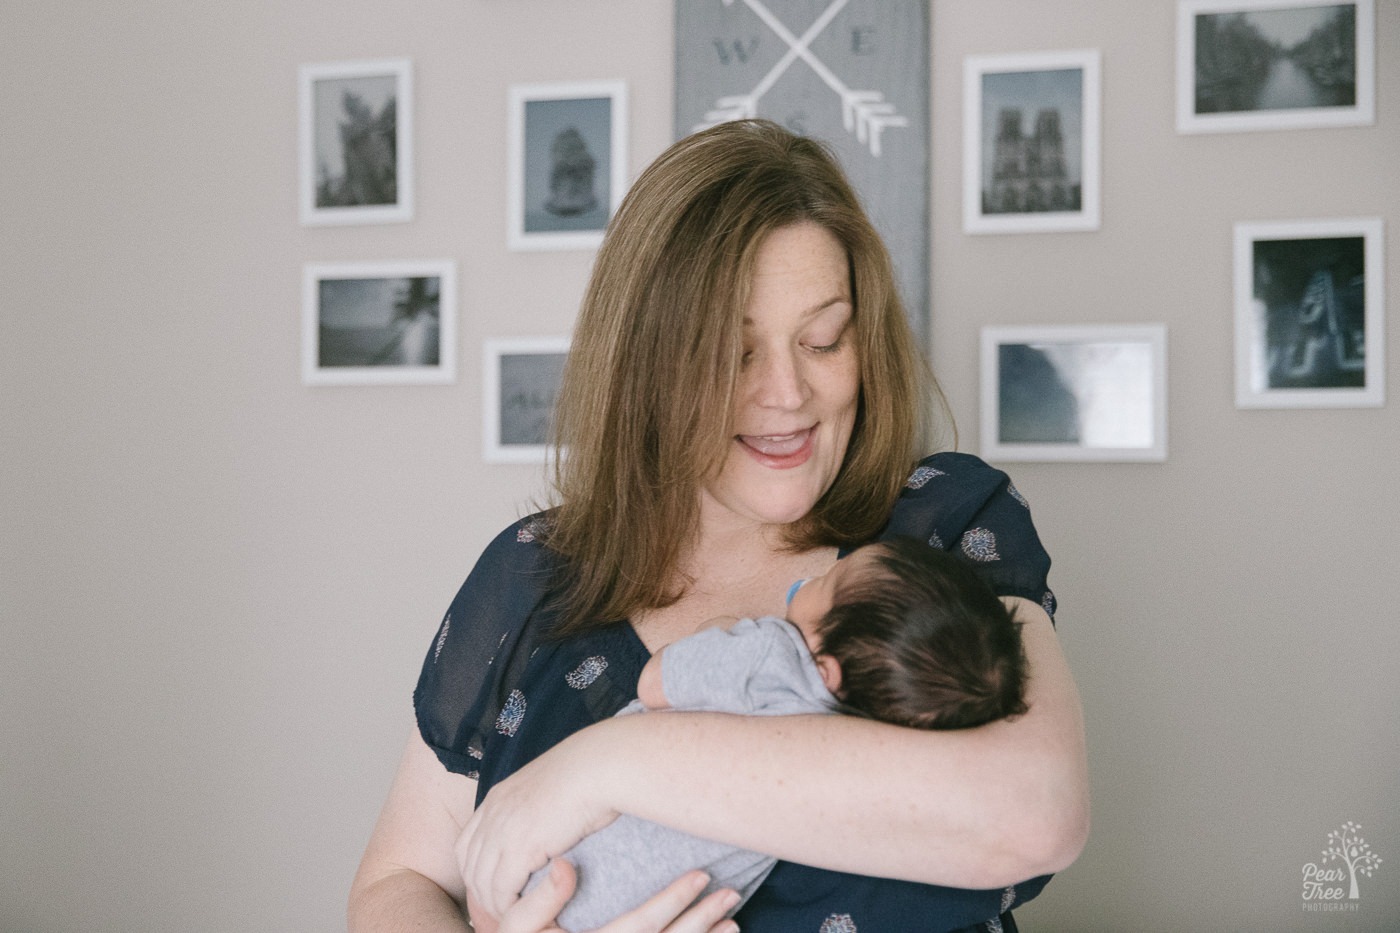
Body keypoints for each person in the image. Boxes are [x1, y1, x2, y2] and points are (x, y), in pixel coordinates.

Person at [349, 118, 1088, 933]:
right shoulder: (534, 577)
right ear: (649, 366)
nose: (788, 393)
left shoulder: (946, 526)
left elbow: (1036, 812)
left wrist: (602, 766)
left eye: (823, 339)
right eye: (735, 355)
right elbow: (399, 881)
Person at [512, 535, 1030, 933]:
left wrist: (717, 630)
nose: (813, 581)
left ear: (828, 671)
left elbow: (655, 683)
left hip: (570, 873)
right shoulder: (863, 743)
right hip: (669, 908)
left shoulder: (770, 651)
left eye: (828, 584)